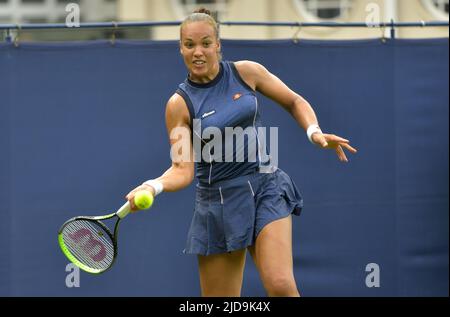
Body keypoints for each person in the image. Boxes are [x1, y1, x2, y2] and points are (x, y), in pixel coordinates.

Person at [126, 8, 357, 297]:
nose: (198, 52)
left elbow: (294, 101)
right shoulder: (179, 105)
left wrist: (314, 132)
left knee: (281, 286)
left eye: (206, 43)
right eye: (189, 45)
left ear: (218, 45)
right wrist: (153, 185)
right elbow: (182, 170)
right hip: (218, 203)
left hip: (266, 186)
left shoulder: (246, 72)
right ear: (180, 49)